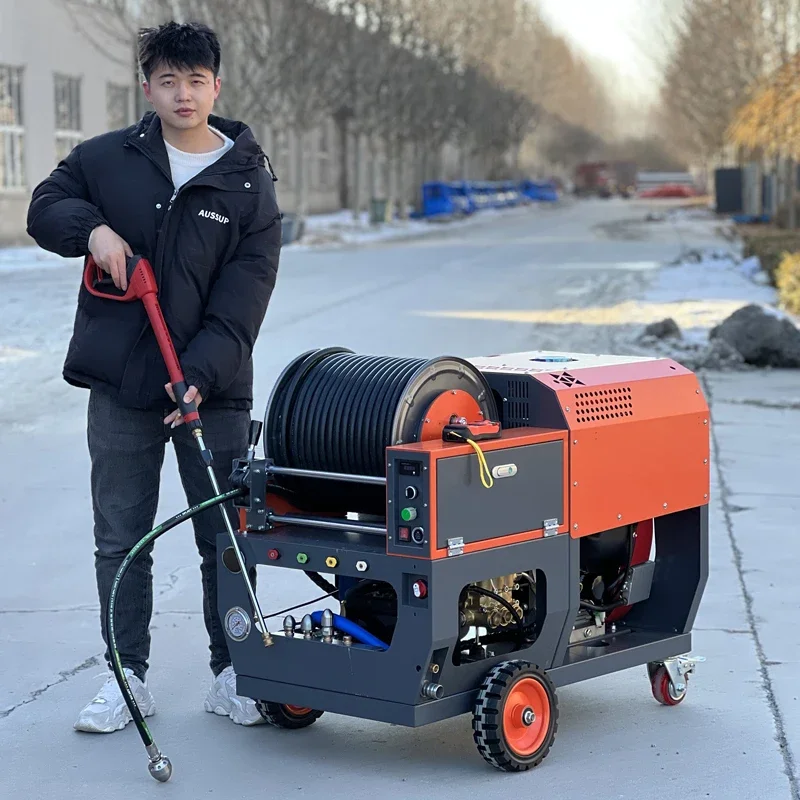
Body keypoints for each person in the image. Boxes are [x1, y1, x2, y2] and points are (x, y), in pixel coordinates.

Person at [26, 20, 281, 733]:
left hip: (211, 392)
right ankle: (126, 678)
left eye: (195, 80)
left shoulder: (246, 180)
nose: (183, 94)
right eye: (168, 80)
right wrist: (93, 231)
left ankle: (233, 671)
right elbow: (44, 207)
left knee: (223, 537)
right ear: (148, 88)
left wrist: (198, 375)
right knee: (120, 537)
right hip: (122, 385)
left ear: (216, 86)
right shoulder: (108, 160)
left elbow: (245, 298)